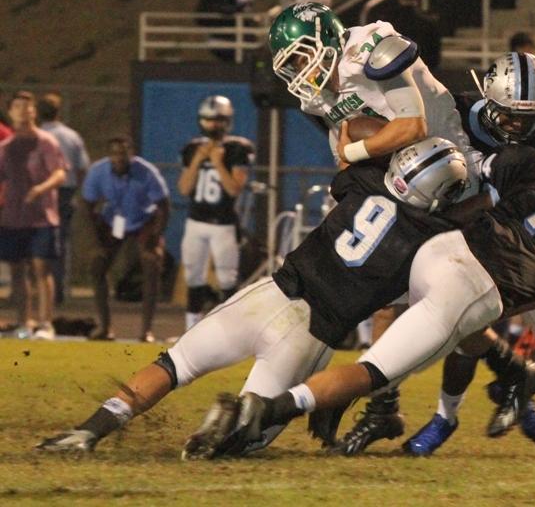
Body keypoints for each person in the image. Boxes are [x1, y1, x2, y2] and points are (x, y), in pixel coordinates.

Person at [35, 138, 484, 454]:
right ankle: (227, 423)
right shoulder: (433, 238)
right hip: (310, 335)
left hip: (267, 297)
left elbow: (357, 148)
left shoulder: (364, 181)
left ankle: (90, 430)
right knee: (250, 436)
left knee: (174, 364)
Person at [268, 2, 480, 452]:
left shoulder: (371, 48)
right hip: (400, 178)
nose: (303, 71)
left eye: (305, 55)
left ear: (327, 37)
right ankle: (383, 407)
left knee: (459, 310)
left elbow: (413, 125)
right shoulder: (320, 94)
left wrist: (355, 158)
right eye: (294, 65)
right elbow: (346, 142)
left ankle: (513, 375)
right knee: (384, 299)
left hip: (451, 170)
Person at [418, 51, 535, 452]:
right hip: (484, 244)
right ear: (487, 100)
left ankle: (517, 390)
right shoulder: (457, 116)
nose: (516, 127)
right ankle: (444, 416)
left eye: (528, 118)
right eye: (507, 116)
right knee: (468, 330)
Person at [177, 96, 254, 331]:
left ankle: (231, 330)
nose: (213, 125)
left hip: (224, 223)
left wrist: (217, 162)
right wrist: (198, 160)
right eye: (209, 120)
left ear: (227, 121)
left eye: (218, 120)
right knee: (193, 278)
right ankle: (191, 330)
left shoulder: (238, 148)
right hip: (195, 221)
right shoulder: (192, 148)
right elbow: (183, 189)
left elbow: (233, 189)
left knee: (227, 280)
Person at [81, 136, 170, 342]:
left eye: (123, 153)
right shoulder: (98, 171)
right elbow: (86, 207)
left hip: (143, 219)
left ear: (131, 154)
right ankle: (105, 327)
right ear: (109, 155)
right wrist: (95, 243)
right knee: (97, 265)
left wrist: (155, 237)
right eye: (114, 154)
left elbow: (163, 206)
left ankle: (146, 330)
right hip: (114, 221)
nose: (119, 158)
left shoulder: (146, 172)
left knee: (151, 263)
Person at [0, 91, 66, 340]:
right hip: (13, 218)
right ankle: (23, 323)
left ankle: (45, 323)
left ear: (34, 112)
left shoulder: (46, 142)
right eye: (18, 106)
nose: (24, 111)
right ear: (11, 112)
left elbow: (60, 173)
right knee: (17, 270)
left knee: (41, 268)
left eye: (28, 107)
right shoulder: (6, 147)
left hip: (42, 217)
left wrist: (40, 188)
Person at [36, 92, 90, 306]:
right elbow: (82, 167)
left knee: (37, 242)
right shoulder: (71, 136)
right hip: (65, 192)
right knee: (60, 243)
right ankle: (58, 291)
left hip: (39, 193)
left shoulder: (38, 135)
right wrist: (78, 190)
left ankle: (39, 292)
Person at [370, 0, 442, 71]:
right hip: (421, 73)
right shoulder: (428, 22)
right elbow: (434, 59)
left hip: (393, 74)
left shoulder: (387, 21)